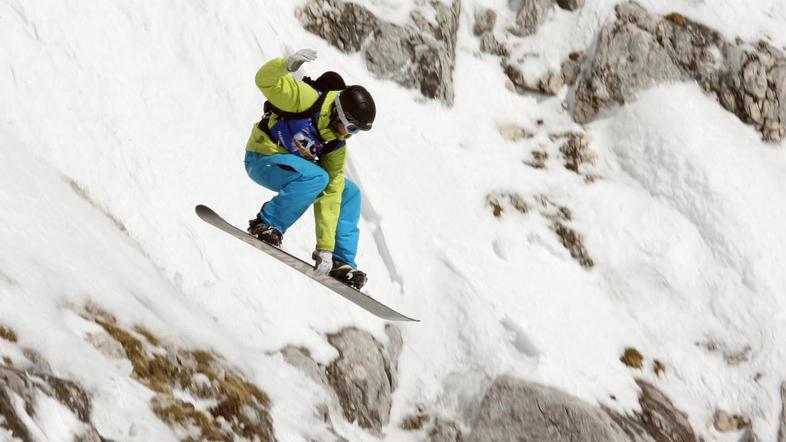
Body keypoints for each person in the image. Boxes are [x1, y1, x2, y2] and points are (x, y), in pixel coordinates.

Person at [243, 49, 376, 290]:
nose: (348, 134)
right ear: (340, 112)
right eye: (351, 127)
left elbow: (332, 194)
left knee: (349, 192)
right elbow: (264, 81)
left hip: (290, 170)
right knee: (319, 176)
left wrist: (325, 248)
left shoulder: (336, 143)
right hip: (262, 158)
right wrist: (285, 65)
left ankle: (341, 261)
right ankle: (266, 223)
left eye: (355, 131)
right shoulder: (306, 99)